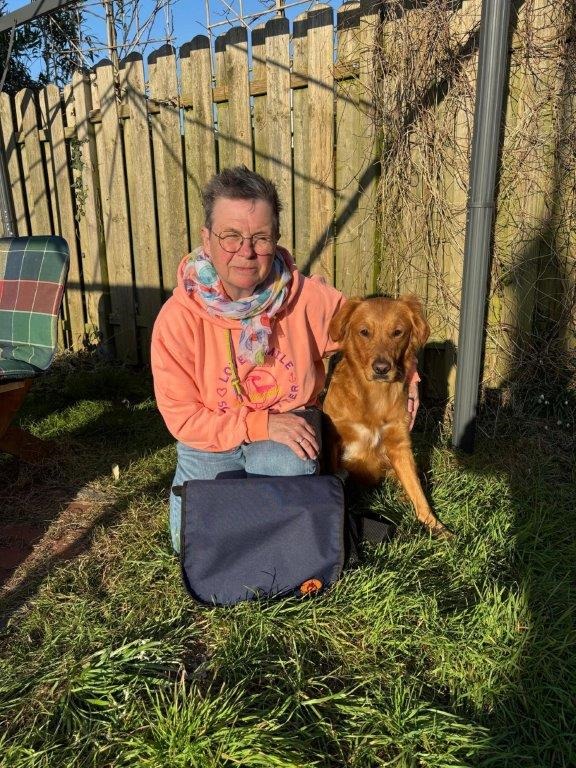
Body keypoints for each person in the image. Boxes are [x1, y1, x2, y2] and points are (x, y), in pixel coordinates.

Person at [151, 166, 419, 552]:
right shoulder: (177, 320)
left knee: (286, 467)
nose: (246, 252)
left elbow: (373, 330)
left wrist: (409, 375)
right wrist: (259, 424)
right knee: (193, 545)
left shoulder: (307, 299)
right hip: (209, 438)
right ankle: (305, 521)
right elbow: (183, 418)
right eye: (230, 236)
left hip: (287, 429)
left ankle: (303, 523)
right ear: (206, 239)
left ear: (275, 239)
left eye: (260, 238)